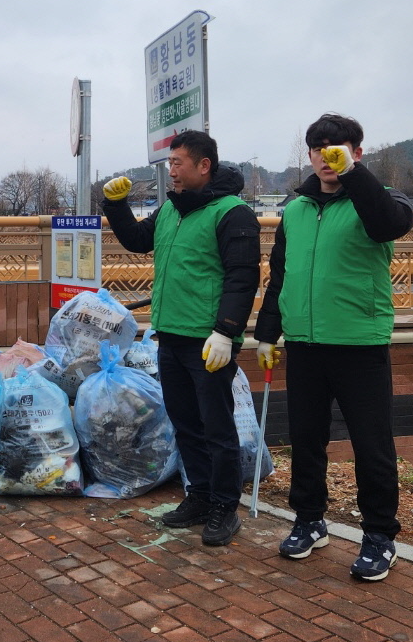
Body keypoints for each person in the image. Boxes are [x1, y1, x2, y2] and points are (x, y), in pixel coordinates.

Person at [255, 114, 413, 581]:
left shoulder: (380, 201)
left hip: (358, 343)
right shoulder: (297, 210)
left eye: (338, 147)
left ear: (357, 152)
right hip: (305, 343)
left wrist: (353, 175)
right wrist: (267, 332)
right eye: (319, 148)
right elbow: (280, 274)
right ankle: (309, 521)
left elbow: (389, 226)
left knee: (372, 444)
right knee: (306, 438)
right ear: (308, 155)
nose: (327, 155)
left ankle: (380, 536)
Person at [103, 130, 260, 547]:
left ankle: (225, 506)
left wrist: (226, 331)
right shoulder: (171, 211)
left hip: (208, 341)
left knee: (217, 426)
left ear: (203, 166)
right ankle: (200, 496)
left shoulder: (232, 214)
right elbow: (137, 241)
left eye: (178, 164)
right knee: (186, 423)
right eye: (169, 163)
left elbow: (243, 278)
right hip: (169, 335)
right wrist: (115, 206)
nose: (171, 171)